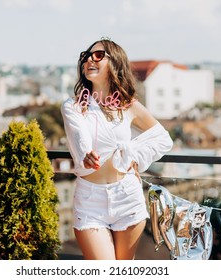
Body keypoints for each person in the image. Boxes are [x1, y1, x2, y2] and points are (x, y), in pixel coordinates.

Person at [61, 38, 173, 260]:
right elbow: (80, 137)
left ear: (115, 63)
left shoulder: (128, 105)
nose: (89, 60)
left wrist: (131, 153)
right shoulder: (73, 106)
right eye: (86, 56)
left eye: (98, 55)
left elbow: (162, 138)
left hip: (127, 196)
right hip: (90, 200)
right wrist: (86, 154)